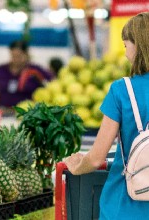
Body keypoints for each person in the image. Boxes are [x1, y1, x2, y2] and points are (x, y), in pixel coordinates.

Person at [64, 12, 149, 219]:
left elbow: (95, 159)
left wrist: (76, 166)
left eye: (126, 44)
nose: (126, 51)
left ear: (137, 46)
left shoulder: (122, 90)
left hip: (124, 205)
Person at [0, 40, 53, 108]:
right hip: (4, 112)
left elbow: (52, 84)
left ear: (26, 54)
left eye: (19, 56)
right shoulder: (1, 70)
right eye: (13, 56)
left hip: (28, 114)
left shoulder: (35, 70)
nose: (16, 59)